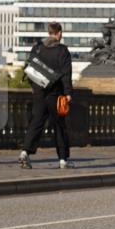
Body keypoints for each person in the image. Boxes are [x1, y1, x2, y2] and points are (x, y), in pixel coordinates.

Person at [18, 22, 74, 170]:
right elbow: (66, 74)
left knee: (36, 123)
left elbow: (29, 69)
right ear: (59, 33)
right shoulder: (62, 50)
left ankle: (25, 152)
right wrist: (68, 93)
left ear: (48, 32)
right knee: (59, 126)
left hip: (39, 91)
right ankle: (63, 160)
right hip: (55, 93)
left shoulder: (37, 47)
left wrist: (34, 87)